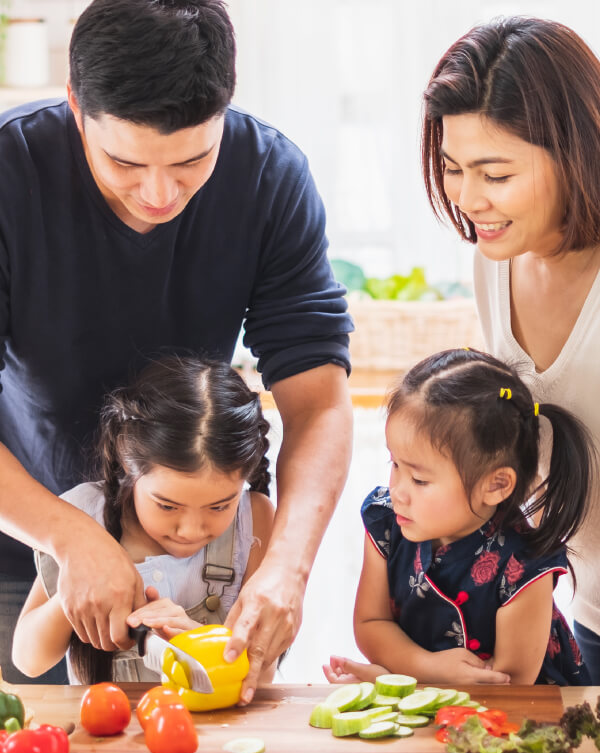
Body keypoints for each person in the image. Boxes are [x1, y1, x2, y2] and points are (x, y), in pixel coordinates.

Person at [0, 0, 353, 697]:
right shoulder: (11, 173)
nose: (159, 193)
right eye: (124, 161)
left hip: (199, 544)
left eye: (193, 159)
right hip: (23, 533)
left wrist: (285, 566)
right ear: (75, 104)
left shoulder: (269, 177)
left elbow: (318, 403)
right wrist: (71, 537)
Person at [419, 16, 600, 683]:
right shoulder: (497, 262)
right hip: (589, 609)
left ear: (575, 151)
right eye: (453, 168)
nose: (468, 200)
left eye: (494, 174)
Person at [325, 349, 593, 687]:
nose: (397, 491)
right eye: (395, 464)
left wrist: (400, 679)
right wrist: (423, 669)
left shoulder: (525, 563)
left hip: (520, 716)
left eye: (419, 480)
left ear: (496, 485)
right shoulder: (386, 522)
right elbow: (371, 623)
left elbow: (506, 683)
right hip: (431, 701)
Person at [12, 356, 276, 684]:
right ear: (128, 463)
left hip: (214, 733)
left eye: (220, 507)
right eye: (167, 506)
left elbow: (263, 676)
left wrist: (197, 640)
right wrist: (76, 595)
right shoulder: (83, 515)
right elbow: (28, 659)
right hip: (104, 730)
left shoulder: (255, 521)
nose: (191, 530)